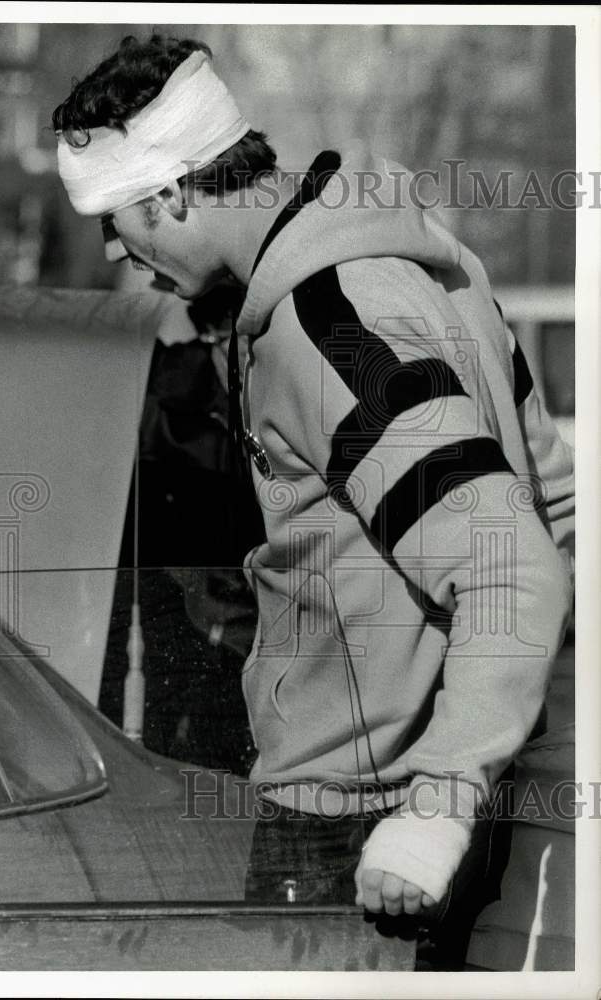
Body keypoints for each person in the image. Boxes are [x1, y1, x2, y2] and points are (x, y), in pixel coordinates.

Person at [52, 34, 575, 966]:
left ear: (168, 193)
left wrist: (435, 807)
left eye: (110, 218)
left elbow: (510, 566)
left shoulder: (332, 324)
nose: (112, 249)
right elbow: (553, 499)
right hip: (407, 791)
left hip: (361, 827)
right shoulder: (430, 274)